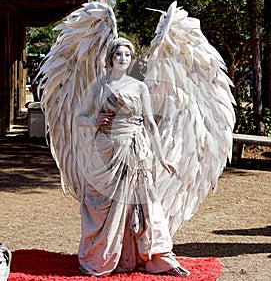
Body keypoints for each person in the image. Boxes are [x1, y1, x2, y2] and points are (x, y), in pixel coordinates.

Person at [75, 37, 190, 277]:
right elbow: (79, 117)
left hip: (136, 150)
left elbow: (149, 122)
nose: (123, 59)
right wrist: (93, 121)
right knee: (105, 206)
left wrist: (161, 157)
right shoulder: (99, 86)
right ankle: (104, 256)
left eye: (127, 55)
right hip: (106, 152)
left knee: (143, 204)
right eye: (119, 55)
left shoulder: (139, 87)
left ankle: (151, 256)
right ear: (111, 57)